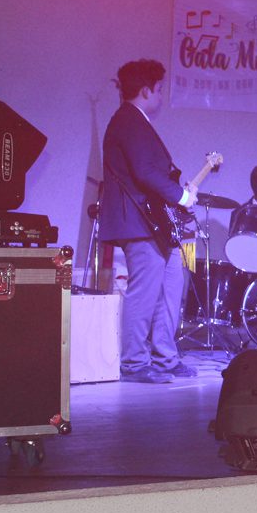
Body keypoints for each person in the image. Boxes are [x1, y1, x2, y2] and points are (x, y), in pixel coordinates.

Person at [100, 58, 199, 383]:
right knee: (144, 294)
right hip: (138, 223)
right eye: (158, 90)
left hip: (153, 223)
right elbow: (144, 172)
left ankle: (165, 358)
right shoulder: (128, 120)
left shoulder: (134, 121)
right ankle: (134, 363)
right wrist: (181, 196)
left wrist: (177, 195)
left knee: (171, 287)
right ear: (145, 90)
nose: (160, 96)